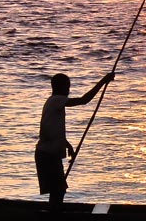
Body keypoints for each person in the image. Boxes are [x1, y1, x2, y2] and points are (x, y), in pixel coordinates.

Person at [36, 71, 114, 208]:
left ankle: (53, 215)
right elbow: (84, 100)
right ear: (60, 88)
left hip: (47, 154)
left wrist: (67, 145)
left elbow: (52, 129)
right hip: (47, 155)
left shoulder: (52, 103)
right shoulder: (56, 100)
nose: (69, 90)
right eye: (67, 87)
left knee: (58, 190)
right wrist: (103, 81)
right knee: (58, 190)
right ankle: (54, 218)